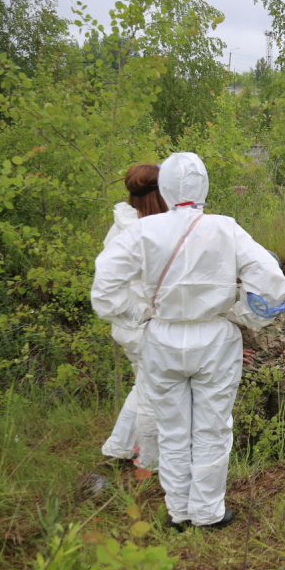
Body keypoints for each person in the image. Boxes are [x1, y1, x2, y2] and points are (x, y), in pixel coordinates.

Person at [92, 152, 285, 531]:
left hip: (162, 337)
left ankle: (178, 510)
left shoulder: (142, 230)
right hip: (214, 336)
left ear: (164, 186)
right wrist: (244, 315)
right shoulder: (225, 228)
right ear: (204, 186)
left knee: (172, 427)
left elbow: (105, 291)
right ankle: (207, 511)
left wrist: (142, 313)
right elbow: (272, 282)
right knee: (212, 427)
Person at [100, 164, 168, 471]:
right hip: (145, 325)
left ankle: (119, 447)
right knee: (153, 393)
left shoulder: (119, 226)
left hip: (127, 323)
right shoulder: (149, 230)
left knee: (143, 385)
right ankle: (150, 461)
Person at [233, 252, 285, 452]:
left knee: (282, 420)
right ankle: (247, 467)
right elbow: (212, 323)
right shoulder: (237, 294)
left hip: (280, 371)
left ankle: (280, 464)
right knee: (248, 425)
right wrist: (231, 351)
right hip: (249, 372)